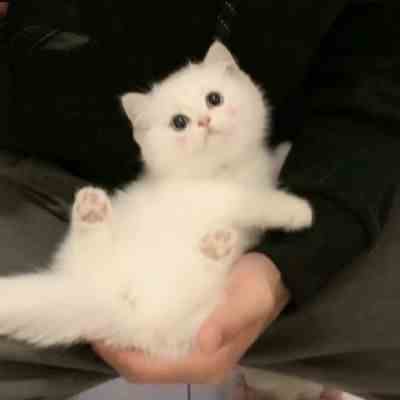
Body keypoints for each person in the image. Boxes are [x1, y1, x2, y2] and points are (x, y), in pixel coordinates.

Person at [1, 1, 400, 399]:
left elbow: (378, 71)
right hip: (34, 174)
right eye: (181, 122)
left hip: (321, 175)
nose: (205, 121)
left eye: (212, 100)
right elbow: (248, 206)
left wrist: (288, 263)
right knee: (85, 297)